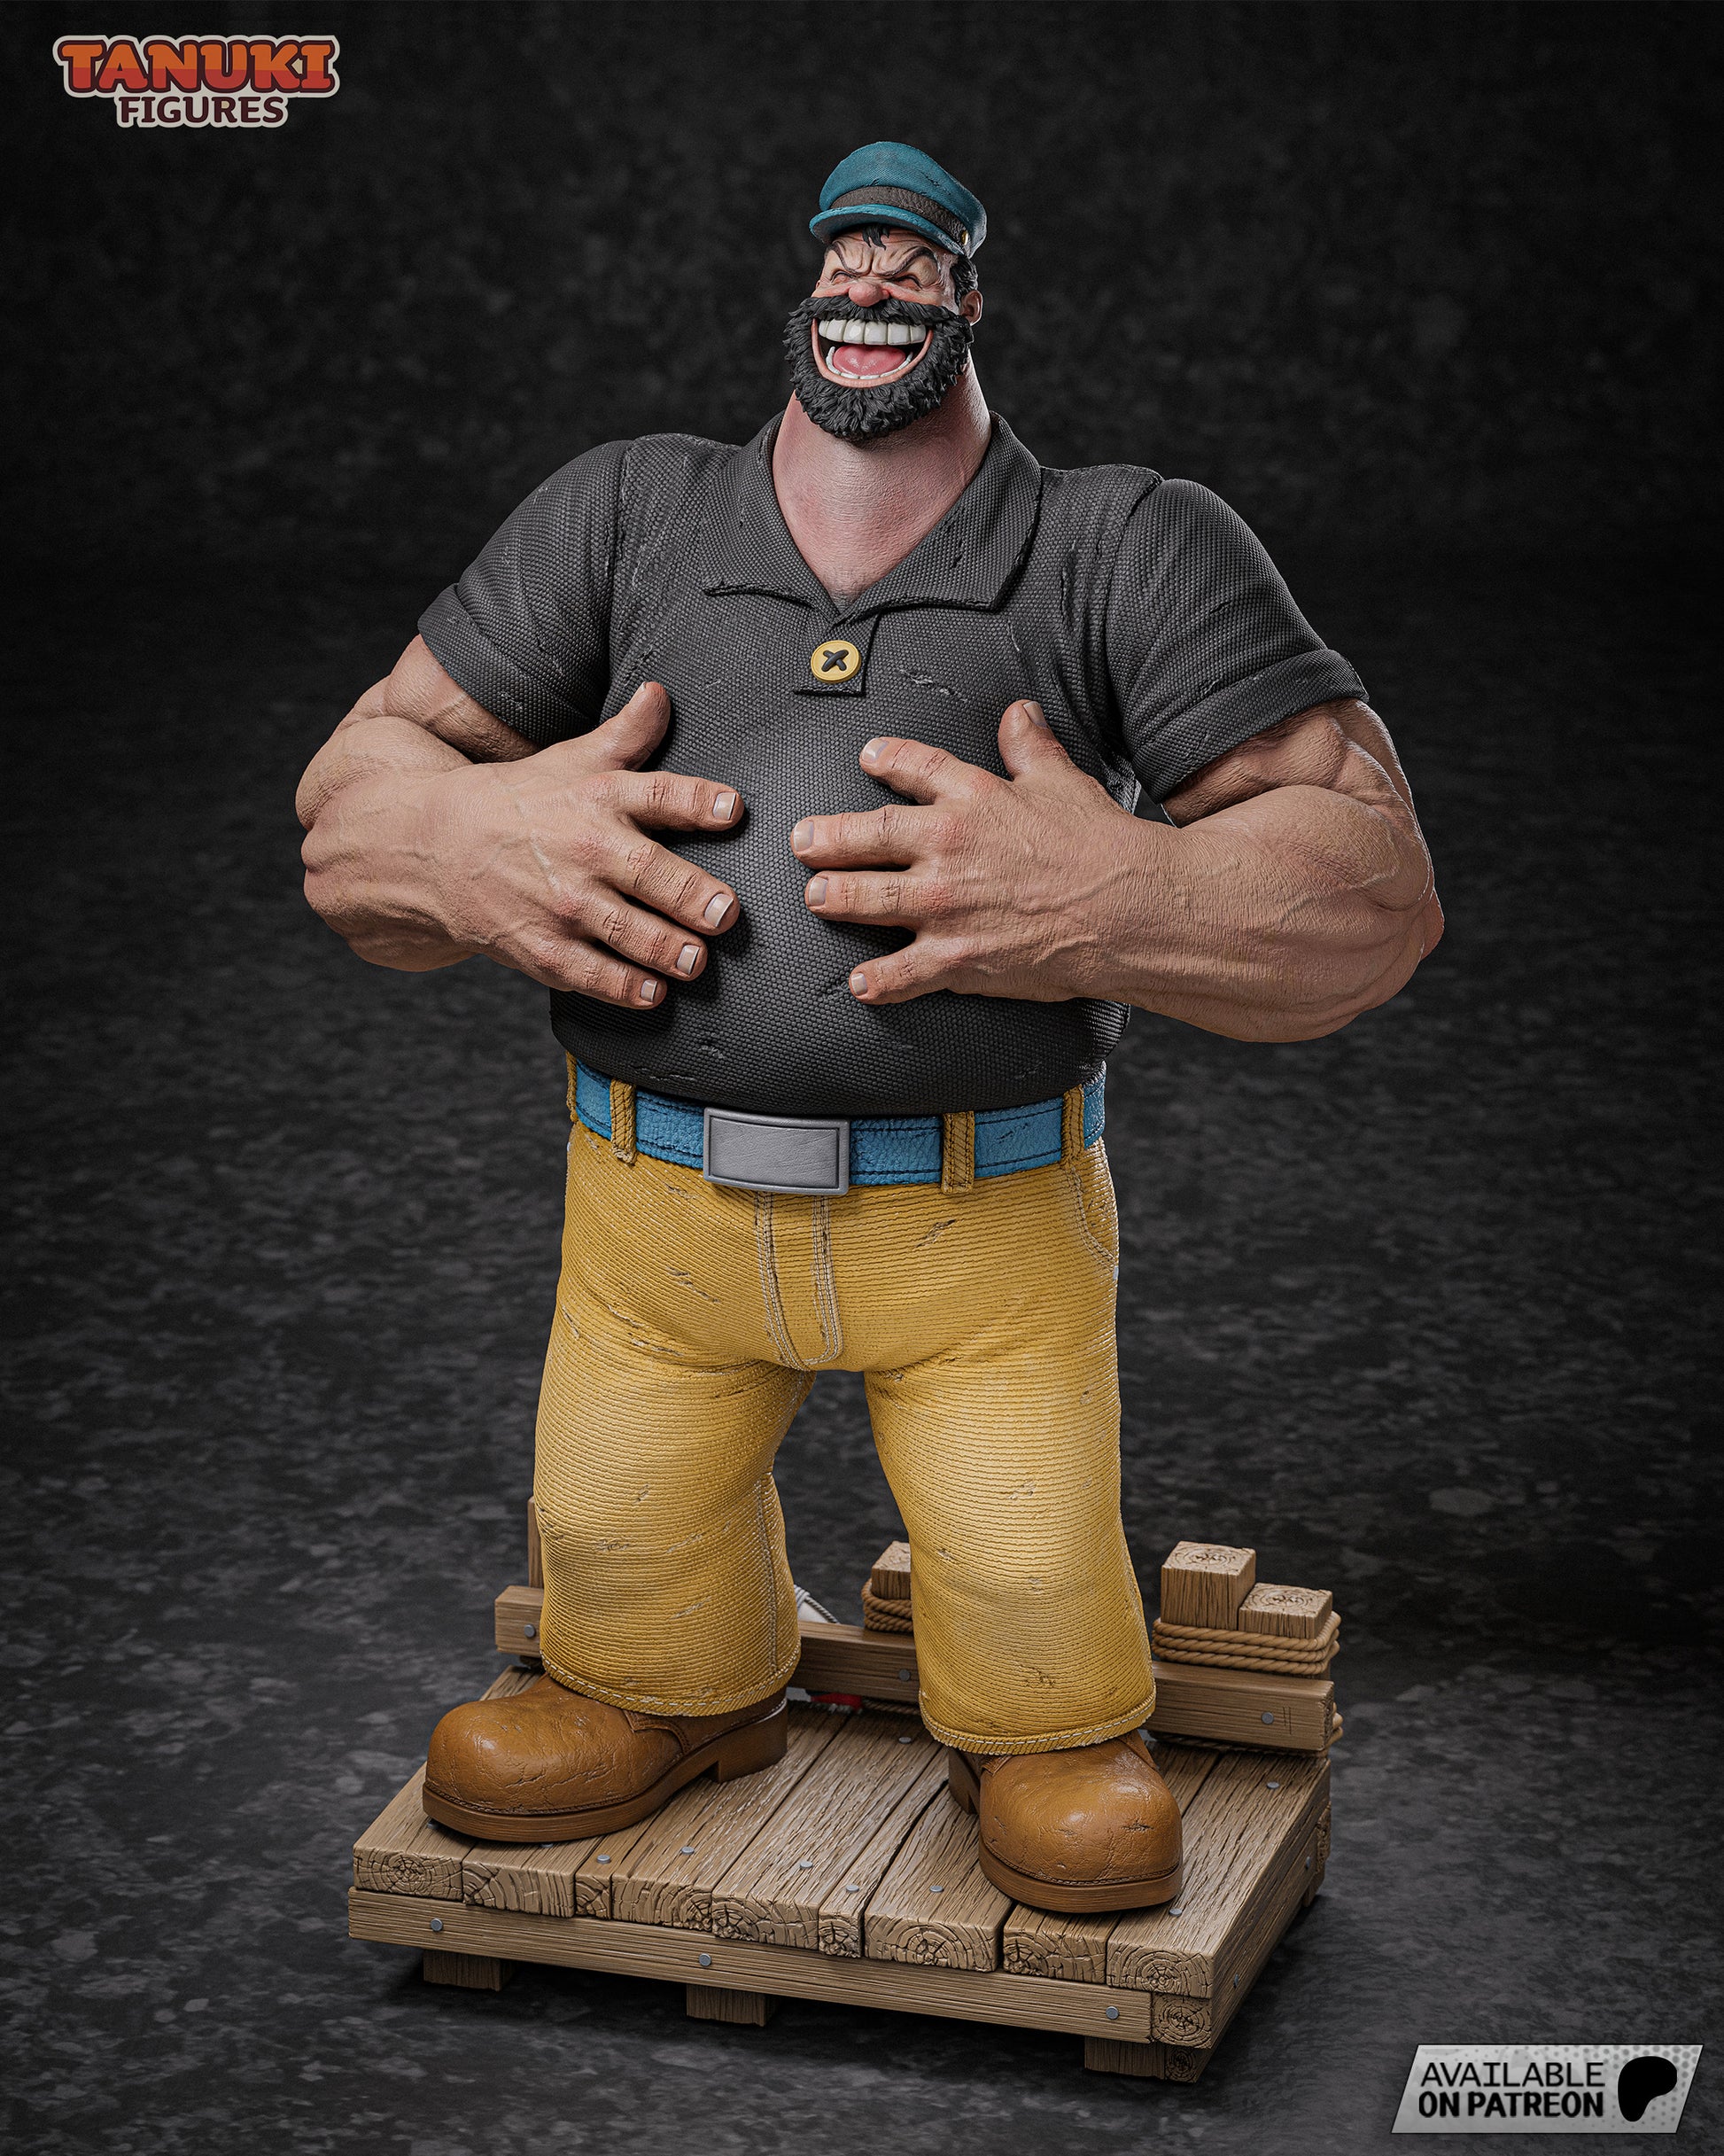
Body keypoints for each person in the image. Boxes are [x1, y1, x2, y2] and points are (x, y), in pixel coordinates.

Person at [296, 143, 1441, 1914]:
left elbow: (1373, 892)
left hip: (979, 1222)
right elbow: (351, 802)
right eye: (850, 257)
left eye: (913, 266)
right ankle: (652, 1687)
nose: (874, 289)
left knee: (1023, 1544)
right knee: (611, 1516)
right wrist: (468, 834)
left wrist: (1118, 890)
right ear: (805, 286)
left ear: (968, 300)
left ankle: (1044, 1729)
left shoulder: (1118, 542)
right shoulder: (627, 515)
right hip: (654, 1220)